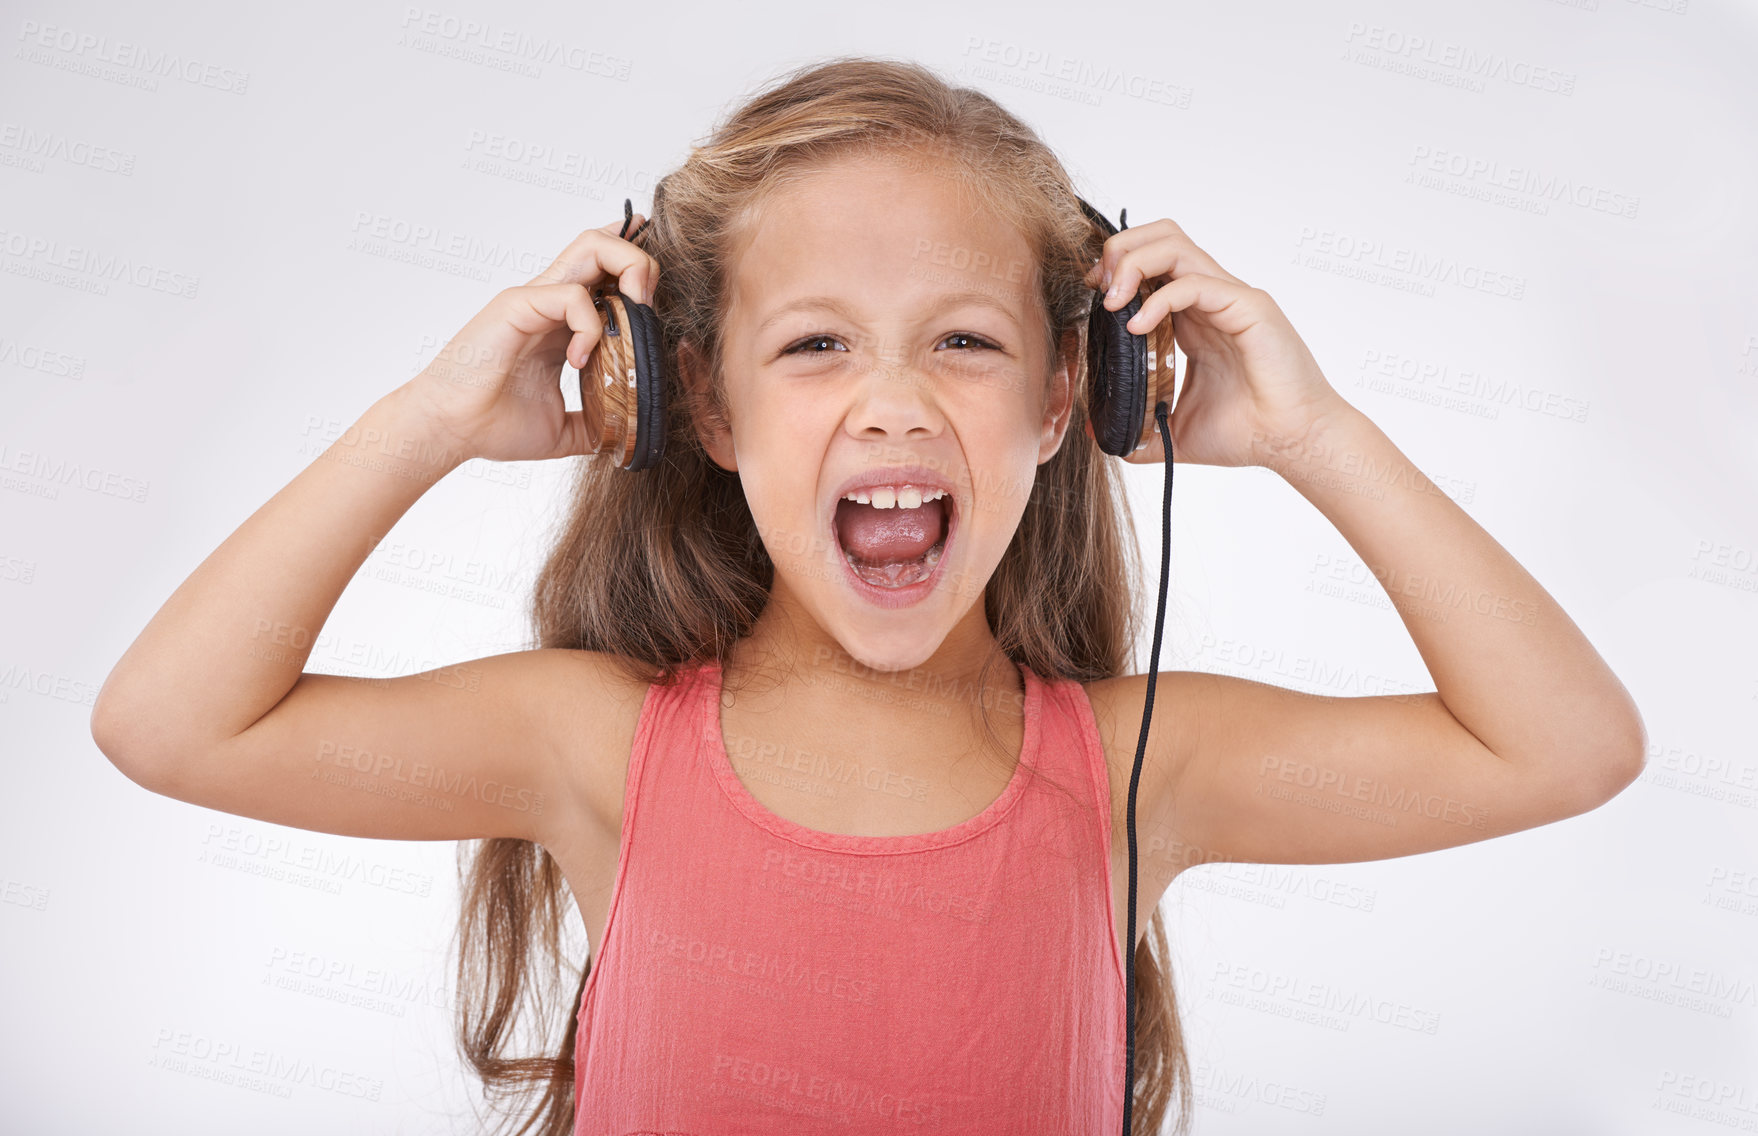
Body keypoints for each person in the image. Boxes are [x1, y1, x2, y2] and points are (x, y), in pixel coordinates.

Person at [90, 55, 1648, 1136]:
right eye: (816, 344)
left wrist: (1313, 435)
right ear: (692, 407)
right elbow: (171, 725)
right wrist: (433, 416)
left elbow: (1562, 749)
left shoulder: (1127, 771)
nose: (893, 404)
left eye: (961, 342)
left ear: (1068, 400)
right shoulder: (592, 743)